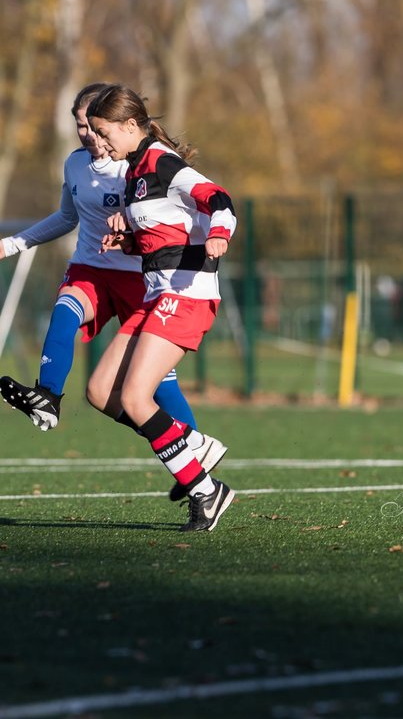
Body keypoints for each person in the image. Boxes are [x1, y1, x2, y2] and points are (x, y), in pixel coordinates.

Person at [0, 83, 226, 498]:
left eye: (95, 128)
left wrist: (208, 231)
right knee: (67, 311)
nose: (88, 136)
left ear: (119, 126)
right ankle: (48, 395)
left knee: (153, 385)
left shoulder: (141, 164)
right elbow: (65, 217)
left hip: (145, 281)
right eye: (81, 126)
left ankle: (191, 448)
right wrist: (11, 245)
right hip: (93, 268)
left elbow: (200, 203)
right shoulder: (78, 165)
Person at [86, 84, 237, 532]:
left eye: (103, 131)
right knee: (99, 392)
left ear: (131, 125)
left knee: (135, 397)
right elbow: (163, 237)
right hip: (157, 293)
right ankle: (192, 445)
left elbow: (219, 199)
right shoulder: (134, 173)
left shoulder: (163, 164)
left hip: (186, 293)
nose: (99, 141)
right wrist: (128, 241)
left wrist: (219, 235)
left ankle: (206, 492)